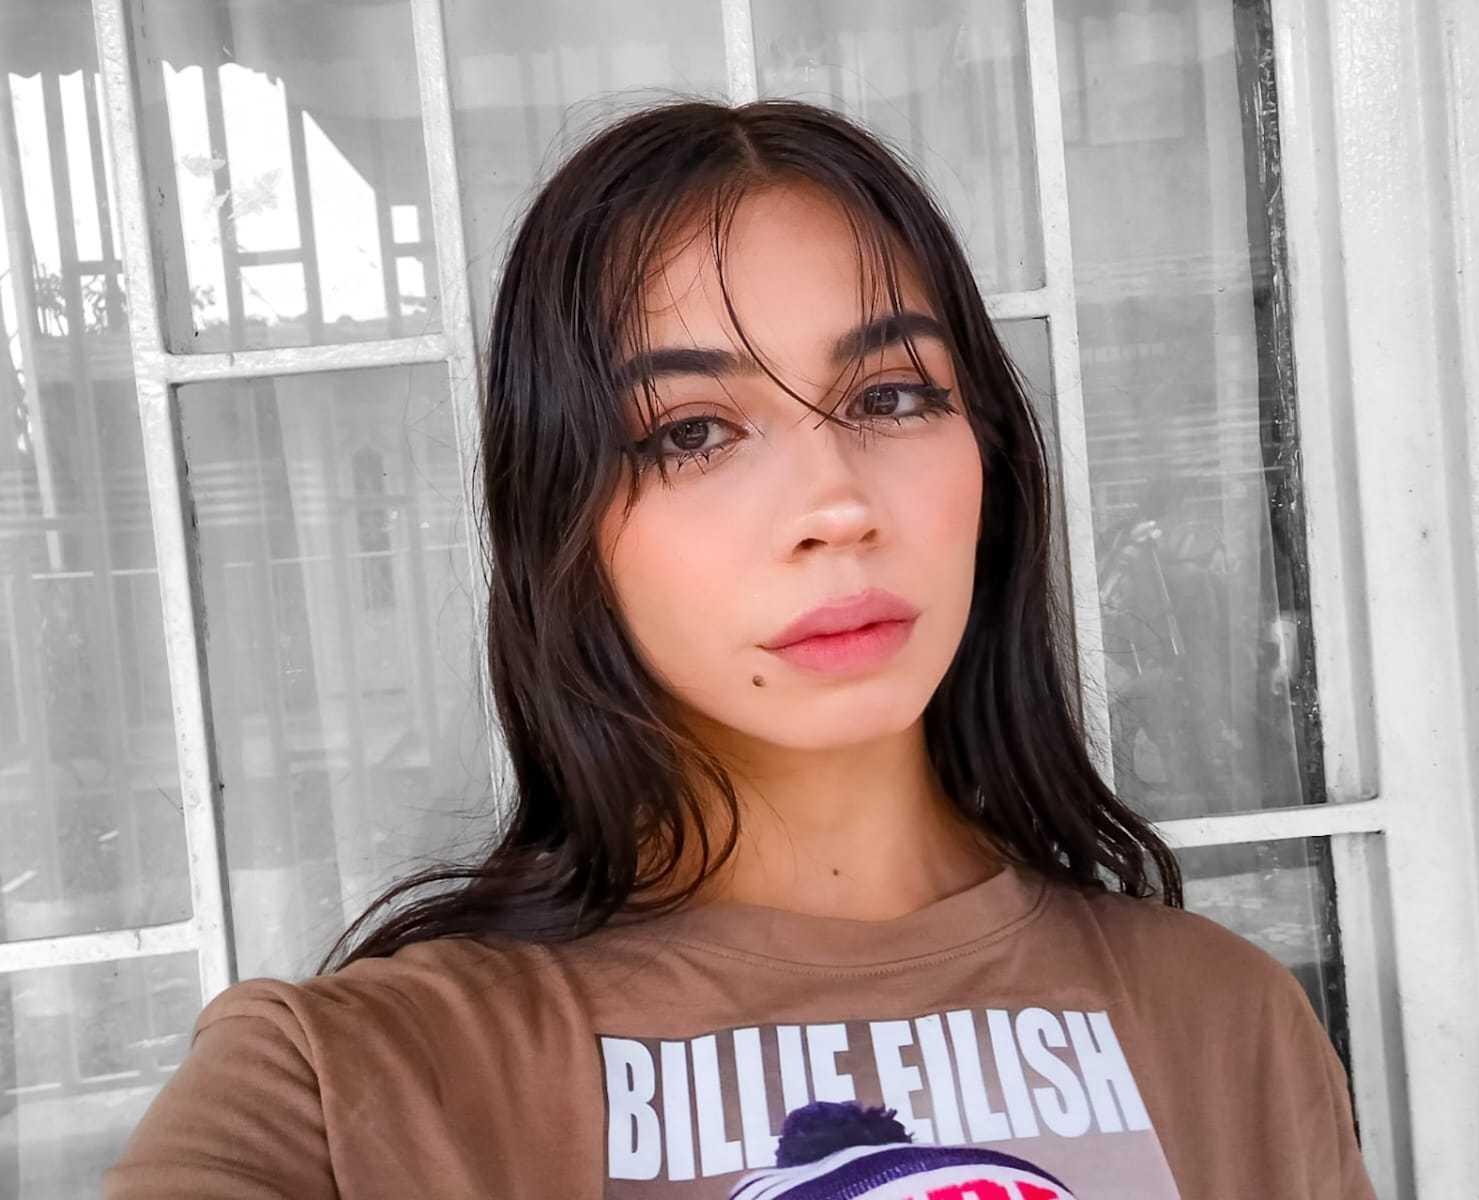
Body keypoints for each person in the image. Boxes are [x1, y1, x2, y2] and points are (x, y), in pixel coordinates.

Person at [102, 97, 1375, 1200]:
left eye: (891, 396)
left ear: (987, 460)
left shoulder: (1224, 1027)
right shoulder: (349, 1089)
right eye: (692, 432)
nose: (837, 504)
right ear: (564, 523)